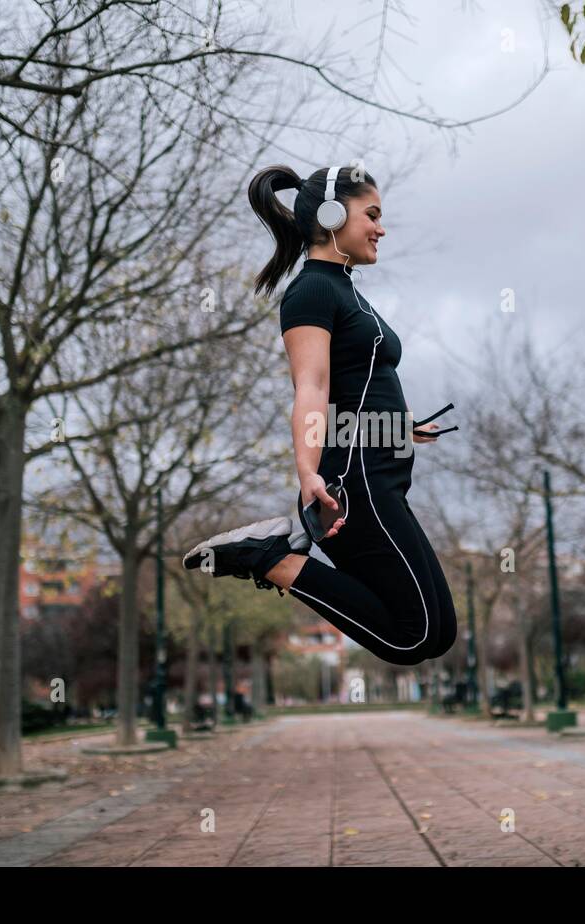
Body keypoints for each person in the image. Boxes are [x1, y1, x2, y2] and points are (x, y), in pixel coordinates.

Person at [182, 164, 457, 666]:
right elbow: (311, 387)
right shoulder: (312, 290)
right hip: (354, 484)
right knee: (412, 636)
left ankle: (273, 554)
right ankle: (271, 559)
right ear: (333, 215)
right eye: (371, 214)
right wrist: (308, 472)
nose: (381, 228)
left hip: (383, 477)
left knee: (438, 632)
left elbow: (354, 386)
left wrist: (397, 426)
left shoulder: (346, 289)